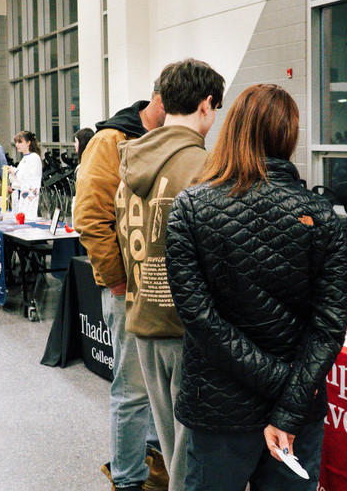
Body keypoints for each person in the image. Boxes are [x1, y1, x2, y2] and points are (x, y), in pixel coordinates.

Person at [165, 83, 347, 490]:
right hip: (296, 406)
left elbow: (201, 321)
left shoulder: (191, 208)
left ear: (230, 129)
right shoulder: (322, 215)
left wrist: (281, 386)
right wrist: (290, 395)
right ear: (289, 135)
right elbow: (330, 326)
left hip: (219, 406)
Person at [115, 58, 224, 491]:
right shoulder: (205, 166)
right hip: (188, 327)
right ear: (206, 105)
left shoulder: (132, 161)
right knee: (193, 453)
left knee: (169, 438)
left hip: (144, 317)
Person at [74, 79, 168, 491]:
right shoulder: (111, 140)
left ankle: (151, 462)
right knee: (132, 390)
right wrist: (115, 278)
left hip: (162, 291)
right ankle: (128, 479)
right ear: (160, 98)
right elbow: (91, 217)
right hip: (128, 290)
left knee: (156, 391)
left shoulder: (169, 140)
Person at [8, 130, 42, 218]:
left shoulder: (34, 158)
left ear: (28, 143)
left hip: (29, 198)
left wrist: (16, 172)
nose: (17, 145)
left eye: (20, 142)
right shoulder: (24, 159)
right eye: (16, 142)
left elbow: (30, 180)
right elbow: (20, 179)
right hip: (19, 196)